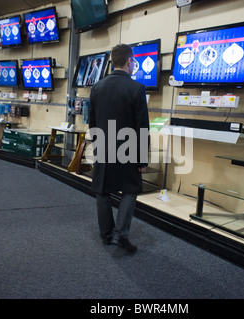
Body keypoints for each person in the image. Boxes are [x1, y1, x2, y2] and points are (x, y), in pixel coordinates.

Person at [89, 44, 150, 252]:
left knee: (102, 191)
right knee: (130, 190)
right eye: (133, 62)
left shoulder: (97, 87)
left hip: (104, 147)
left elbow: (92, 122)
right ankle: (120, 234)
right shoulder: (137, 88)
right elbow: (142, 127)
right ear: (128, 62)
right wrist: (142, 160)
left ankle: (106, 235)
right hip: (129, 149)